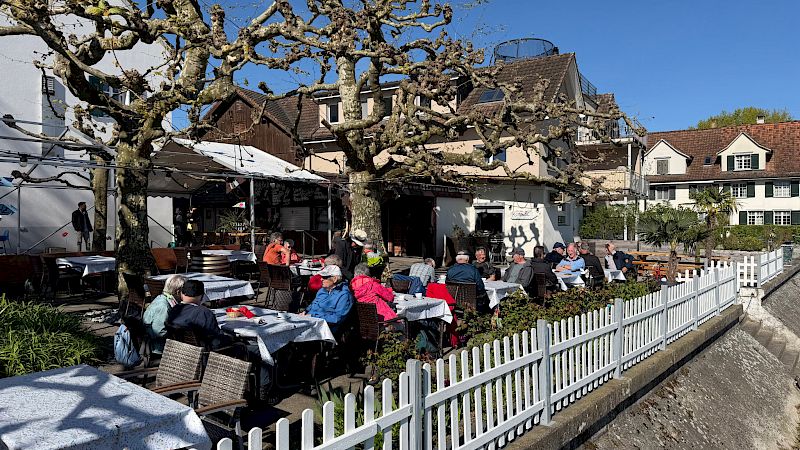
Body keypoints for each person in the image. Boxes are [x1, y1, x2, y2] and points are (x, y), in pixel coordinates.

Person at [166, 280, 228, 347]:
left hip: (178, 349)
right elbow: (216, 342)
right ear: (202, 296)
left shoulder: (174, 309)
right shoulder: (204, 313)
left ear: (181, 293)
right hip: (203, 351)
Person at [302, 265, 354, 332]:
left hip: (325, 329)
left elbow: (337, 318)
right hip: (310, 322)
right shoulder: (322, 290)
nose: (321, 279)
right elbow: (313, 304)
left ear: (334, 279)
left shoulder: (344, 295)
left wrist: (313, 316)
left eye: (324, 277)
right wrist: (305, 311)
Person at [143, 274, 185, 355]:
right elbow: (159, 331)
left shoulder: (162, 297)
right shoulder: (164, 306)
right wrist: (174, 332)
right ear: (178, 291)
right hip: (158, 347)